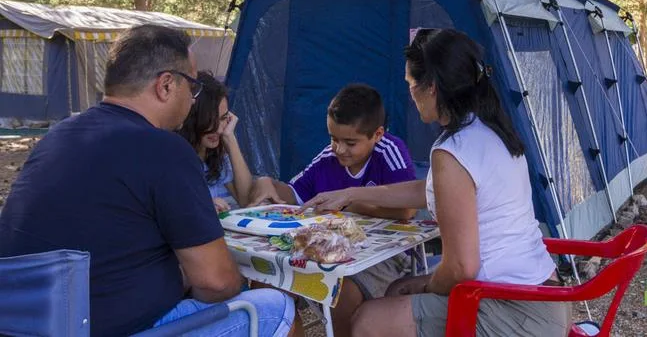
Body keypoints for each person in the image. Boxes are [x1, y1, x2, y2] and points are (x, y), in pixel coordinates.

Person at [0, 25, 295, 337]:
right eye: (192, 88)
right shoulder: (164, 148)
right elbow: (216, 282)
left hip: (25, 324)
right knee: (276, 307)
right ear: (166, 85)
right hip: (99, 329)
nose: (194, 100)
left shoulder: (58, 136)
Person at [300, 29, 571, 337]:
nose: (410, 93)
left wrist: (423, 283)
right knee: (394, 294)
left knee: (367, 320)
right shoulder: (489, 131)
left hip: (512, 310)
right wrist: (349, 193)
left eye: (411, 84)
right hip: (543, 297)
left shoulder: (453, 151)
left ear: (431, 88)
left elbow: (461, 268)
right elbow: (431, 190)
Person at [249, 83, 417, 337]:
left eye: (350, 142)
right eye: (333, 138)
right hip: (331, 250)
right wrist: (267, 183)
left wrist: (352, 203)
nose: (339, 149)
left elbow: (407, 212)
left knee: (341, 295)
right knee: (267, 282)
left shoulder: (390, 152)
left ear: (378, 134)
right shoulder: (329, 158)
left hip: (386, 255)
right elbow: (295, 195)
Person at [179, 71, 255, 212]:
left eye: (223, 118)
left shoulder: (216, 158)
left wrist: (230, 138)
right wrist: (203, 205)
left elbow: (247, 201)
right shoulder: (177, 158)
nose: (219, 129)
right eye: (210, 121)